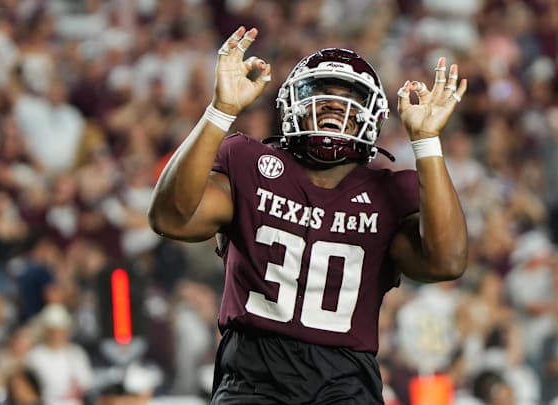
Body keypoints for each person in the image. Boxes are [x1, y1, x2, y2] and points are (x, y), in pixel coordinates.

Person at [148, 26, 469, 404]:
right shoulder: (249, 162)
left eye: (349, 96)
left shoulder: (388, 190)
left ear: (372, 117)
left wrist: (427, 142)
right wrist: (220, 112)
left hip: (345, 381)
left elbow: (446, 262)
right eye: (321, 93)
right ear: (290, 107)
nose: (335, 103)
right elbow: (170, 219)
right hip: (254, 375)